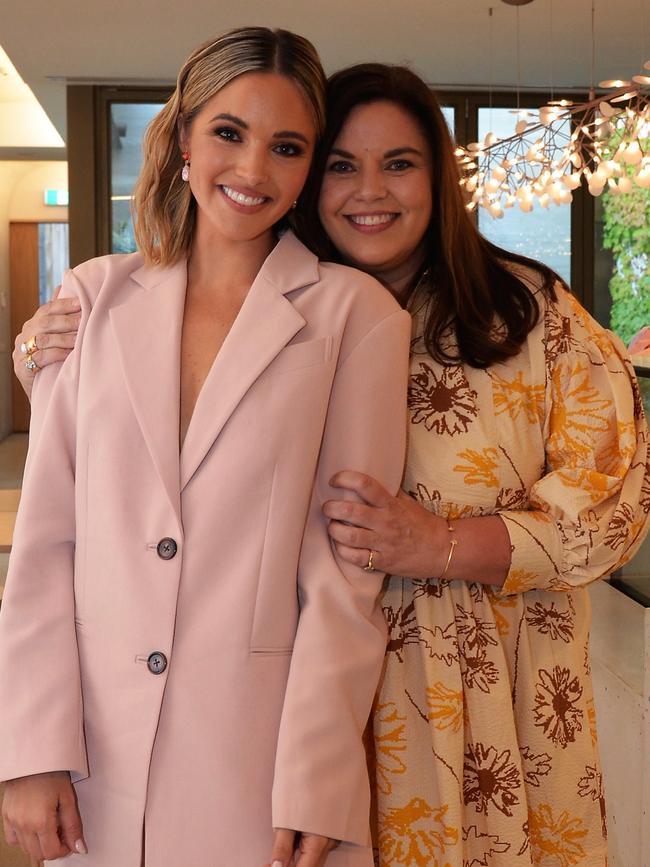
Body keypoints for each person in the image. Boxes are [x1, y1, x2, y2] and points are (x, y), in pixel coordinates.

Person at [13, 62, 650, 866]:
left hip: (489, 702)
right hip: (292, 714)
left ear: (440, 178)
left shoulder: (527, 312)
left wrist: (442, 545)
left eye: (401, 163)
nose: (368, 190)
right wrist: (44, 362)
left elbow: (614, 504)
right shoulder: (255, 306)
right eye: (341, 164)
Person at [0, 33, 412, 867]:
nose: (253, 169)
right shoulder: (93, 295)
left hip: (258, 768)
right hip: (92, 761)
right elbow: (46, 540)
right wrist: (30, 746)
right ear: (184, 137)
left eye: (287, 147)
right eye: (230, 132)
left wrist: (319, 775)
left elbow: (345, 576)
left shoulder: (353, 316)